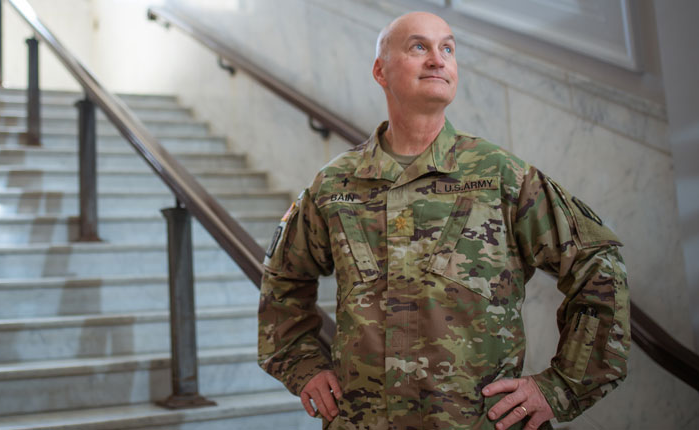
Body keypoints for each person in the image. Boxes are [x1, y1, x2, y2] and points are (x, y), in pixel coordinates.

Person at [257, 11, 630, 430]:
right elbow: (283, 278)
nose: (437, 59)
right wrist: (304, 364)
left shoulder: (501, 176)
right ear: (381, 70)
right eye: (419, 47)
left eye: (447, 48)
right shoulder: (334, 185)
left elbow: (598, 264)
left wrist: (559, 386)